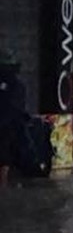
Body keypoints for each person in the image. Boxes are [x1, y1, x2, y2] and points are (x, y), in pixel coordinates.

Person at [0, 49, 27, 185]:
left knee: (5, 157)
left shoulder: (16, 86)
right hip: (9, 126)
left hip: (8, 127)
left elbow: (16, 109)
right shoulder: (17, 85)